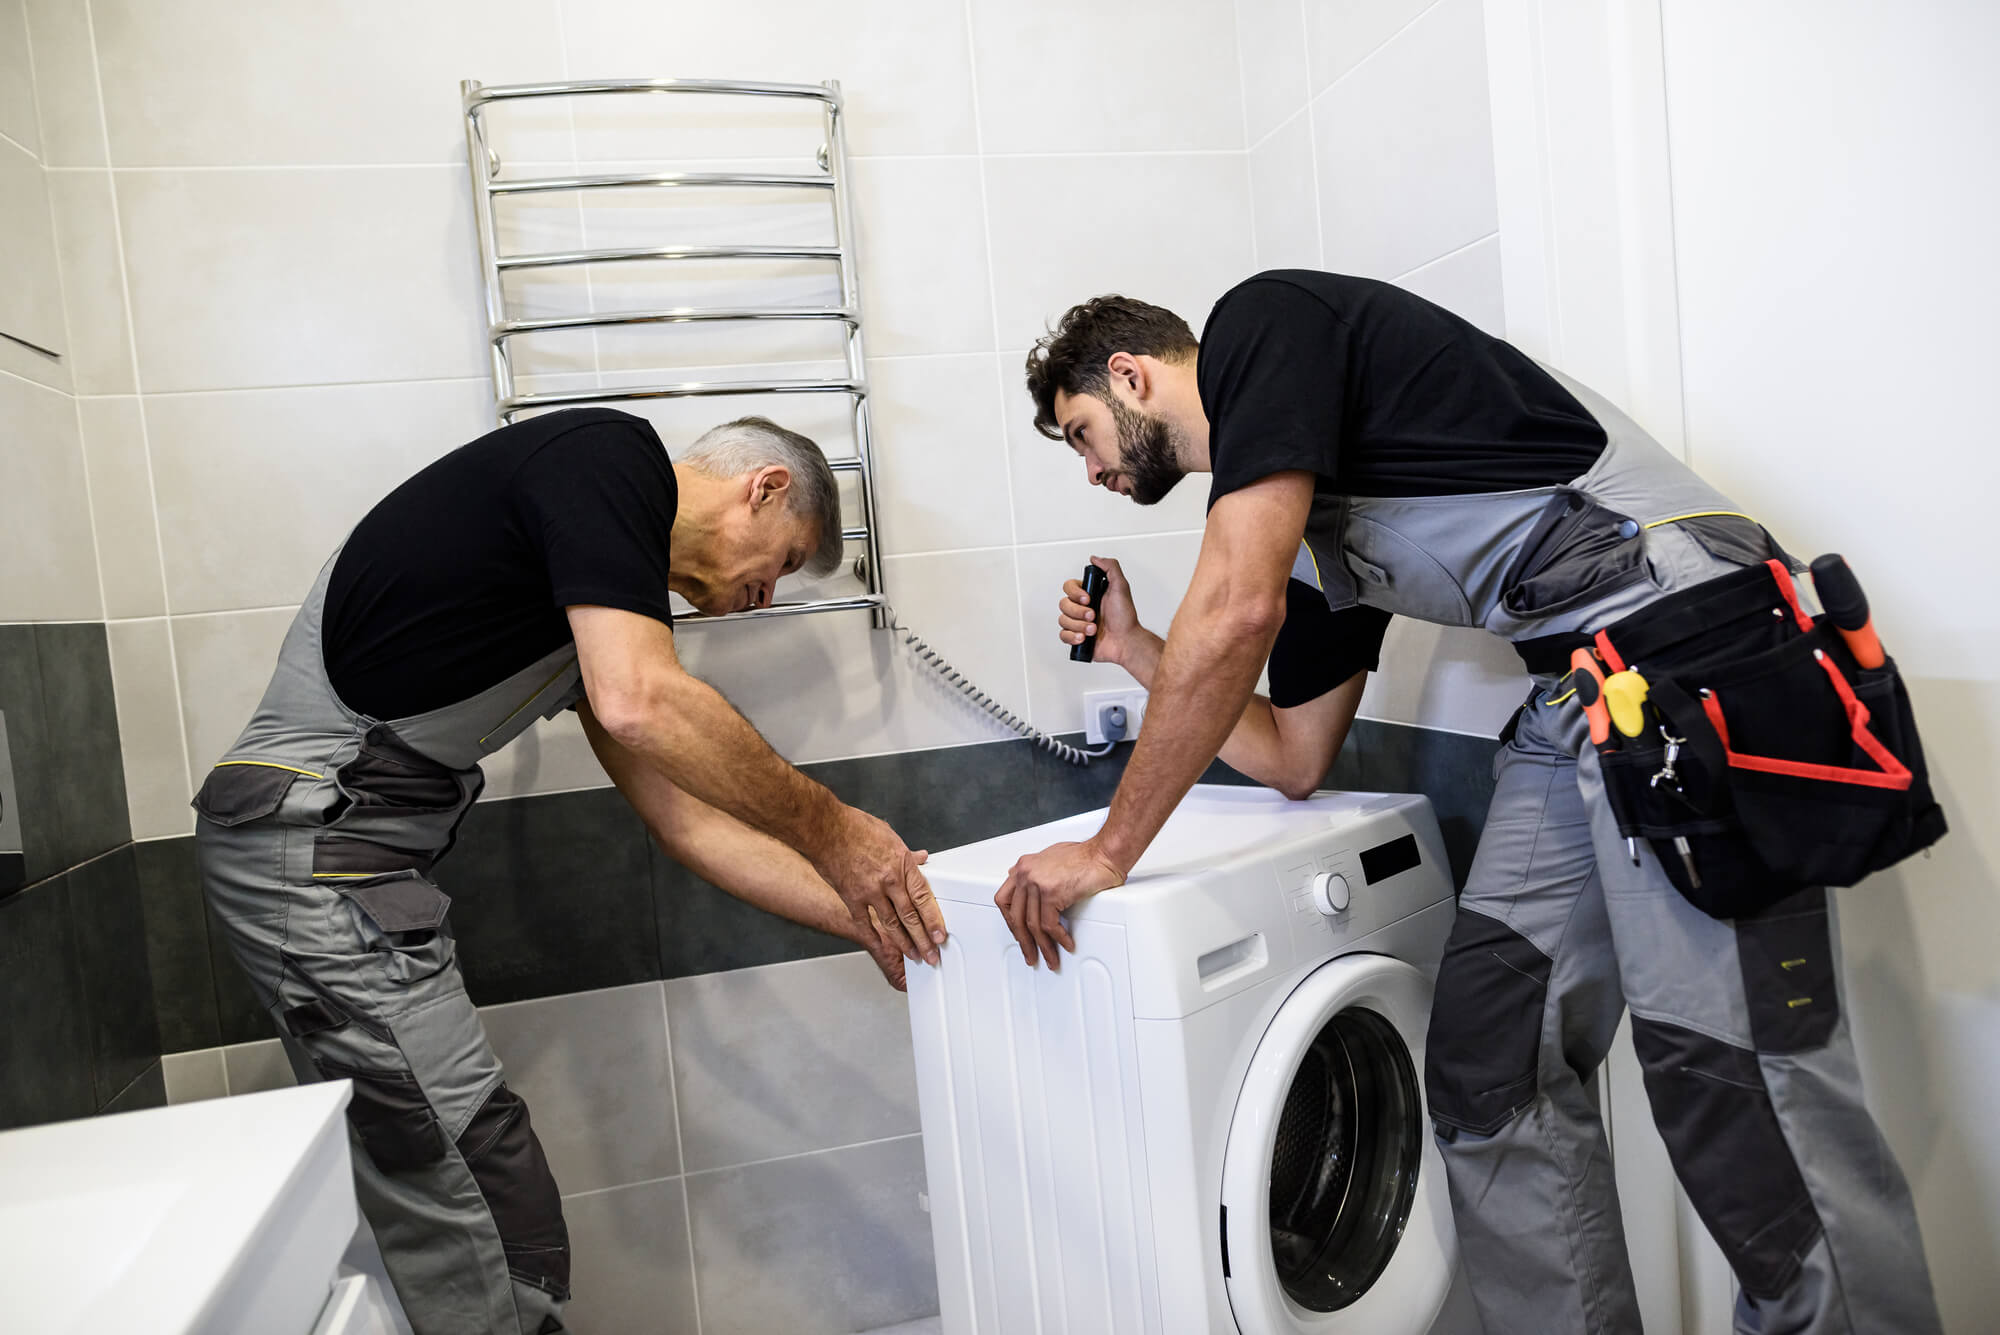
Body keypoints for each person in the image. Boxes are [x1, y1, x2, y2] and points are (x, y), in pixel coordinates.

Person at [1001, 274, 1941, 1334]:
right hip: (1582, 696)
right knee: (1486, 1072)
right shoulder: (1310, 522)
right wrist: (1131, 647)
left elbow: (1233, 607)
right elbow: (1295, 752)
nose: (1091, 472)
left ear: (1130, 375)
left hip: (1689, 660)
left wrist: (1109, 849)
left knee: (1737, 1086)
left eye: (1081, 434)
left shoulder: (1258, 321)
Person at [192, 408, 947, 1335]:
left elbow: (687, 823)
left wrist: (872, 913)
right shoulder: (611, 457)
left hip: (334, 860)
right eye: (783, 562)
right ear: (764, 487)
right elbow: (641, 705)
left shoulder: (600, 597)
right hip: (307, 852)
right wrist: (838, 834)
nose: (768, 596)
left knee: (470, 1184)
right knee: (478, 1196)